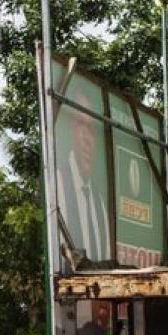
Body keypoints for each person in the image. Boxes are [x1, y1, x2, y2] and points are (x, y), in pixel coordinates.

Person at [56, 86, 113, 267]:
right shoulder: (57, 184)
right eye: (81, 124)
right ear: (70, 129)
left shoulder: (99, 201)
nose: (87, 138)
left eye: (91, 128)